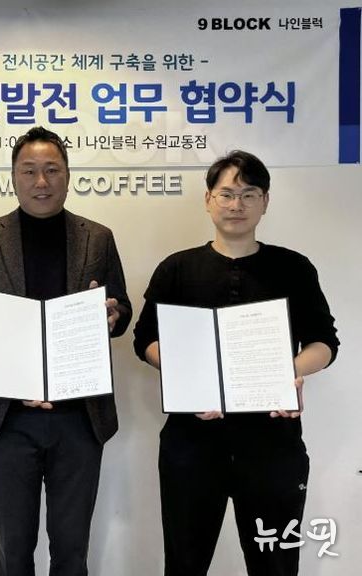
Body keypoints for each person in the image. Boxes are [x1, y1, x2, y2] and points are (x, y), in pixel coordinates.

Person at [133, 150, 339, 576]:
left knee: (276, 565)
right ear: (208, 199)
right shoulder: (177, 268)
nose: (236, 205)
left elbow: (324, 341)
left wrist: (291, 371)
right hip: (191, 445)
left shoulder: (293, 268)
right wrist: (186, 376)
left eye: (249, 194)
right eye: (226, 194)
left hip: (273, 444)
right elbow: (145, 339)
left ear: (265, 201)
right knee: (185, 565)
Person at [0, 126, 132, 576]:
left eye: (52, 170)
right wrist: (15, 366)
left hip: (79, 415)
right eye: (29, 171)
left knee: (72, 550)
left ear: (68, 175)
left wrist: (113, 315)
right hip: (9, 416)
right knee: (13, 551)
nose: (41, 181)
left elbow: (122, 309)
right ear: (13, 177)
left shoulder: (98, 237)